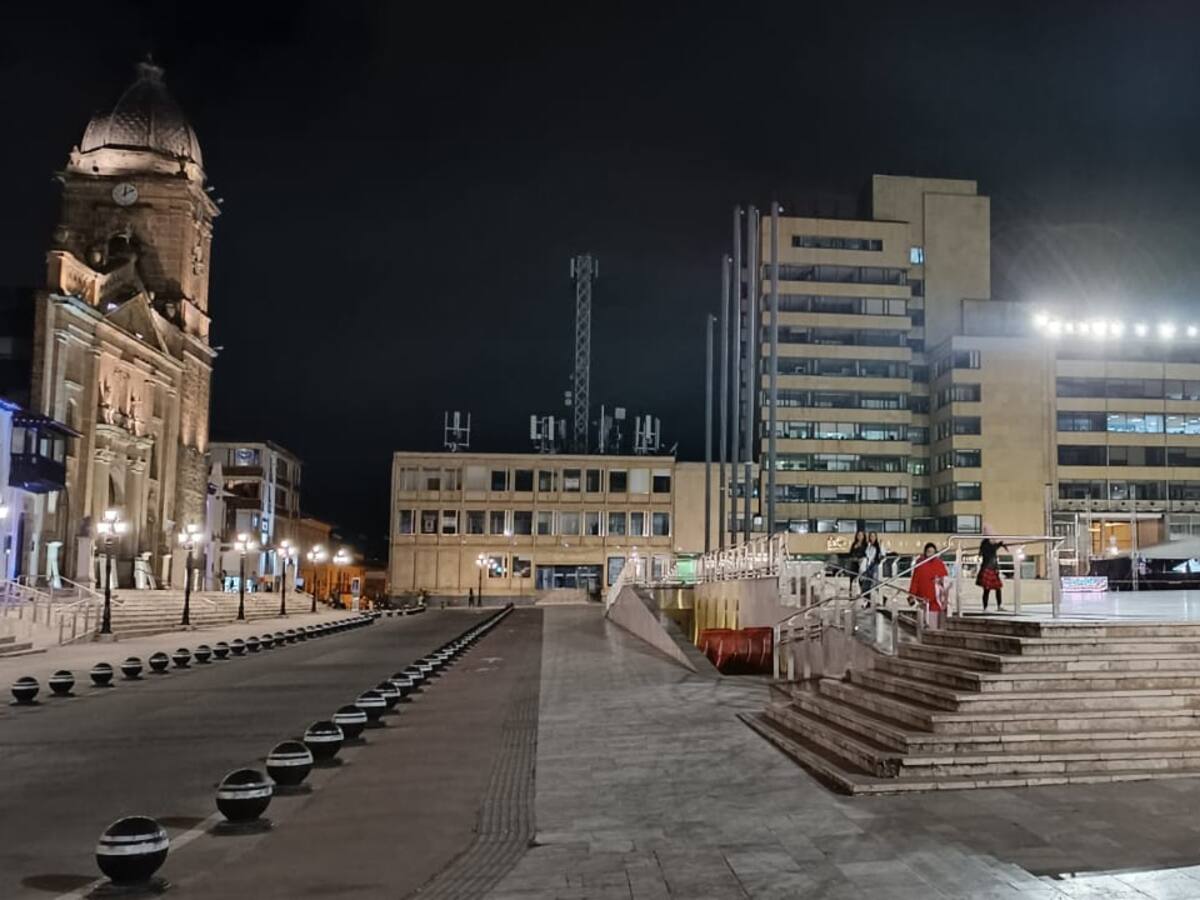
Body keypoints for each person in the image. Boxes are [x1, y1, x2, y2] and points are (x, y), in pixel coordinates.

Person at [909, 542, 949, 628]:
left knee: (934, 624)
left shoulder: (939, 564)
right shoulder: (919, 564)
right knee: (924, 623)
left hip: (936, 602)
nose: (930, 554)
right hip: (923, 600)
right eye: (929, 551)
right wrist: (911, 596)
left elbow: (945, 581)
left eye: (932, 552)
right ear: (925, 552)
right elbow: (915, 581)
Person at [977, 531, 1007, 610]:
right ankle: (986, 607)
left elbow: (993, 549)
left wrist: (1000, 544)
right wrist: (1000, 544)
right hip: (988, 568)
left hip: (992, 569)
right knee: (987, 589)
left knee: (996, 588)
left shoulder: (988, 545)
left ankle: (997, 606)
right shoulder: (986, 545)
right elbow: (991, 549)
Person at [860, 532, 883, 606]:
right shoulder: (868, 546)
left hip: (875, 566)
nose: (872, 538)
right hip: (868, 566)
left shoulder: (878, 546)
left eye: (874, 536)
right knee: (865, 585)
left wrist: (881, 545)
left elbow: (882, 555)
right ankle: (866, 602)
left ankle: (881, 599)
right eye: (871, 536)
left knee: (874, 584)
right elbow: (866, 555)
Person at [846, 531, 867, 596]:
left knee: (861, 577)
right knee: (852, 577)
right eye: (858, 535)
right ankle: (851, 593)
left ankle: (862, 591)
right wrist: (855, 548)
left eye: (861, 535)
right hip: (854, 562)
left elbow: (866, 554)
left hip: (862, 562)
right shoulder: (854, 544)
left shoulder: (865, 544)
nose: (860, 537)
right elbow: (850, 553)